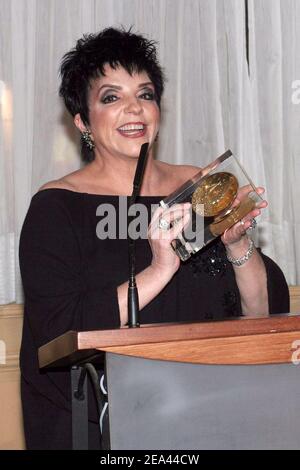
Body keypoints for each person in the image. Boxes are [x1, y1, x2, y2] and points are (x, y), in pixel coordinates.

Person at [19, 27, 289, 450]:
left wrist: (238, 244)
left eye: (145, 94)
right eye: (111, 97)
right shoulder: (57, 208)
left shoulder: (200, 190)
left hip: (221, 409)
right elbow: (58, 334)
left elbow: (264, 317)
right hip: (108, 426)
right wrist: (161, 268)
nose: (134, 109)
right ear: (82, 121)